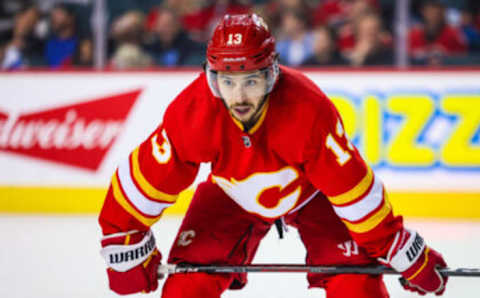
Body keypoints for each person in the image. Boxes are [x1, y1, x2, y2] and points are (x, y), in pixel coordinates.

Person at [99, 13, 448, 298]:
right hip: (230, 194)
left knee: (357, 286)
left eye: (251, 81)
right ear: (211, 78)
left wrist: (404, 253)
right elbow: (141, 183)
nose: (238, 98)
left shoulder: (308, 111)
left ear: (272, 74)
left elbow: (353, 191)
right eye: (227, 81)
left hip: (313, 194)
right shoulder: (194, 112)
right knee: (185, 289)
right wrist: (124, 245)